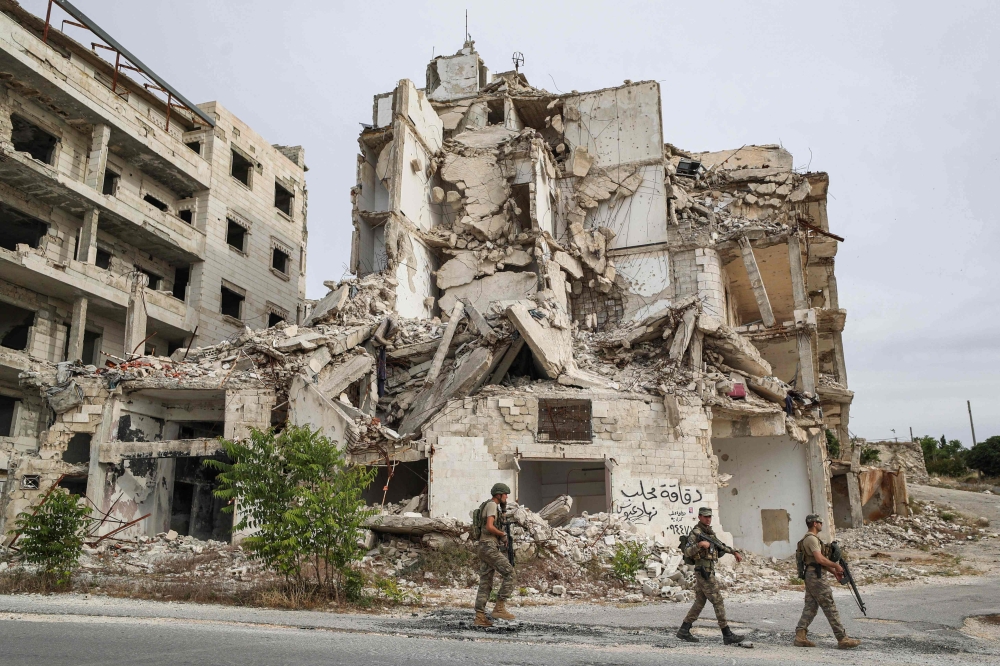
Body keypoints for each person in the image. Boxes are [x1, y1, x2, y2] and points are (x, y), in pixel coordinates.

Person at [676, 507, 745, 645]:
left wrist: (734, 552)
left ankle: (684, 630)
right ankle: (727, 634)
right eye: (705, 517)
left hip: (708, 569)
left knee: (700, 602)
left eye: (710, 517)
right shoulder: (696, 533)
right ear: (700, 517)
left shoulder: (709, 533)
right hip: (703, 570)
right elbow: (687, 551)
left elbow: (720, 545)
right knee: (717, 600)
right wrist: (699, 545)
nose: (708, 519)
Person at [794, 514, 861, 649]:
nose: (821, 525)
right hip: (816, 576)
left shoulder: (811, 539)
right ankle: (842, 639)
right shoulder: (811, 539)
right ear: (814, 523)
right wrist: (836, 566)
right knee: (829, 606)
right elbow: (819, 559)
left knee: (811, 607)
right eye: (820, 522)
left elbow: (816, 561)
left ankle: (800, 636)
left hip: (813, 574)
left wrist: (833, 571)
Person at [474, 482, 516, 627]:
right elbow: (490, 526)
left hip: (485, 547)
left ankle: (479, 617)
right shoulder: (492, 505)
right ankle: (499, 607)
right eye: (505, 494)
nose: (507, 497)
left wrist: (503, 510)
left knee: (485, 583)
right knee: (510, 573)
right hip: (488, 546)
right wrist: (502, 534)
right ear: (499, 495)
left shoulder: (493, 506)